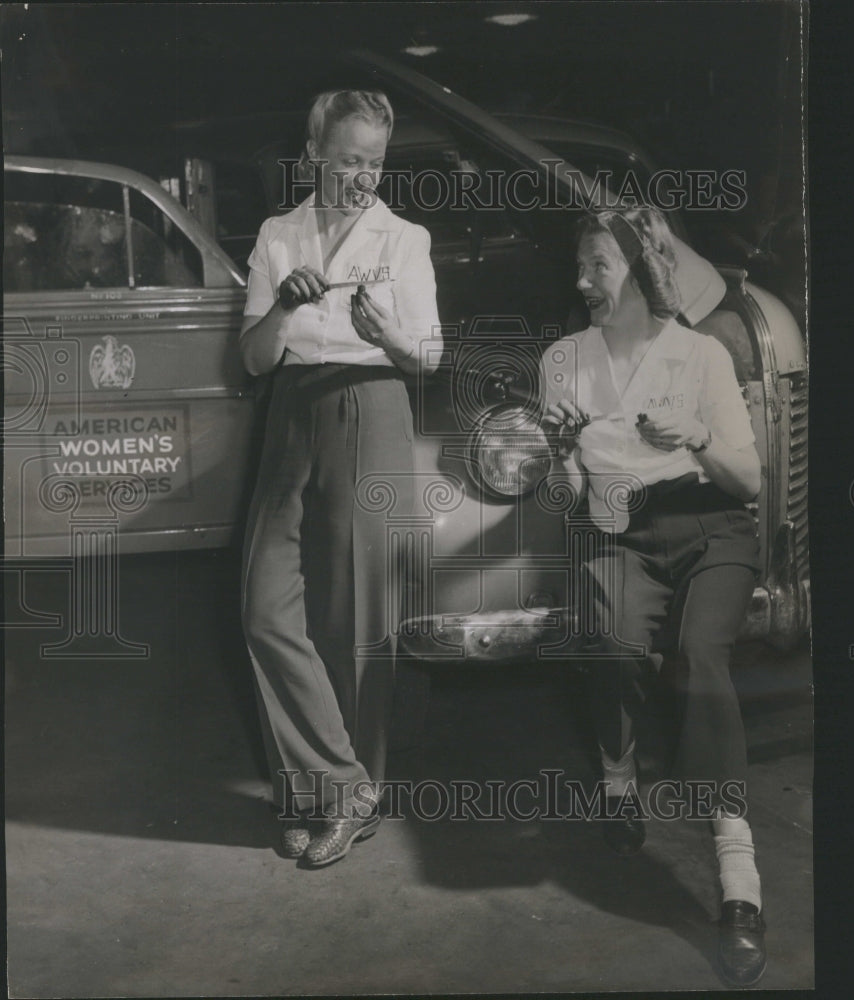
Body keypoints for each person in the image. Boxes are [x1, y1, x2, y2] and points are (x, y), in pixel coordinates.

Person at [541, 206, 766, 986]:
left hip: (712, 530)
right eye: (581, 265)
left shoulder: (701, 357)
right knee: (610, 643)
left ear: (639, 271)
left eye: (597, 265)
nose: (581, 281)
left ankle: (738, 882)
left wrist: (696, 438)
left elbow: (750, 481)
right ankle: (616, 773)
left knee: (701, 655)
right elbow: (569, 499)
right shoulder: (563, 360)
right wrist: (562, 448)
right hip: (618, 530)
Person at [240, 90, 441, 868]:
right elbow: (253, 359)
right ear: (315, 151)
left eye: (375, 162)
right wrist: (281, 314)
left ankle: (335, 801)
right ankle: (339, 784)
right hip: (290, 412)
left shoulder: (405, 239)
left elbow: (428, 355)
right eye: (350, 159)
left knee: (356, 623)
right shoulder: (277, 235)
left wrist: (384, 331)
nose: (363, 176)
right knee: (265, 610)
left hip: (372, 407)